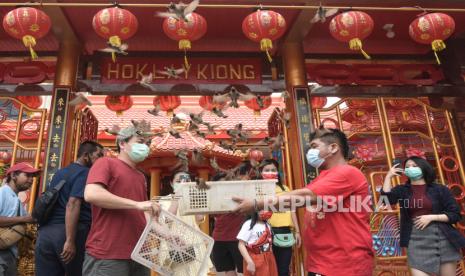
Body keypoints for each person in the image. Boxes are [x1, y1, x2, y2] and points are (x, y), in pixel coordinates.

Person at [233, 126, 374, 276]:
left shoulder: (347, 172)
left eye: (314, 146)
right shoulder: (324, 176)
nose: (310, 152)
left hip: (343, 264)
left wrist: (256, 203)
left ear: (333, 148)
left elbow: (301, 198)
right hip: (323, 262)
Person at [83, 121, 160, 276]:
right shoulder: (106, 163)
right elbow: (91, 193)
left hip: (138, 254)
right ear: (122, 144)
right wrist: (137, 204)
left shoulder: (140, 176)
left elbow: (144, 215)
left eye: (148, 143)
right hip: (108, 254)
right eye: (140, 142)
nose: (145, 146)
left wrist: (171, 236)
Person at [381, 156, 465, 276]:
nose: (411, 168)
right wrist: (389, 176)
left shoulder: (440, 189)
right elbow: (385, 201)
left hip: (442, 239)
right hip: (416, 241)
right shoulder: (403, 190)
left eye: (414, 166)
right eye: (408, 167)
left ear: (424, 168)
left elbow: (455, 214)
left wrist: (432, 217)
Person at [35, 141, 104, 276]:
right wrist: (70, 240)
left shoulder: (61, 172)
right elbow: (72, 203)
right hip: (70, 233)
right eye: (99, 155)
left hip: (46, 235)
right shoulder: (85, 173)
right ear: (86, 155)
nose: (101, 160)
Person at [159, 170, 210, 275]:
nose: (182, 183)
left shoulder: (192, 199)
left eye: (186, 181)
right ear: (172, 183)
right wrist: (178, 196)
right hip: (174, 245)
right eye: (178, 181)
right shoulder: (164, 200)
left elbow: (200, 218)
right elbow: (167, 219)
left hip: (195, 245)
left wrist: (193, 196)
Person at [259, 159, 301, 276]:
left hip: (284, 232)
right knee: (266, 269)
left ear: (278, 172)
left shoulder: (285, 189)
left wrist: (297, 231)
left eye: (273, 170)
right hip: (264, 233)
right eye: (267, 170)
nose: (270, 172)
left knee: (283, 269)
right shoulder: (257, 189)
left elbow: (292, 211)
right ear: (261, 173)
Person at [210, 163, 251, 276]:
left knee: (243, 271)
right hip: (219, 239)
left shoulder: (238, 196)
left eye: (224, 184)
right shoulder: (212, 199)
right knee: (228, 270)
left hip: (238, 239)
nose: (222, 187)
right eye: (219, 185)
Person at [0, 162, 39, 276]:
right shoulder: (2, 193)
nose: (31, 180)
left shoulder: (16, 199)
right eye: (27, 175)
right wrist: (24, 219)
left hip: (11, 254)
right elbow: (25, 219)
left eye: (33, 177)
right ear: (13, 175)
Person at [237, 210, 278, 276]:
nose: (266, 211)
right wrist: (249, 262)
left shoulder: (267, 224)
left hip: (269, 257)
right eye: (262, 209)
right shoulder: (248, 224)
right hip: (255, 258)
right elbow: (241, 245)